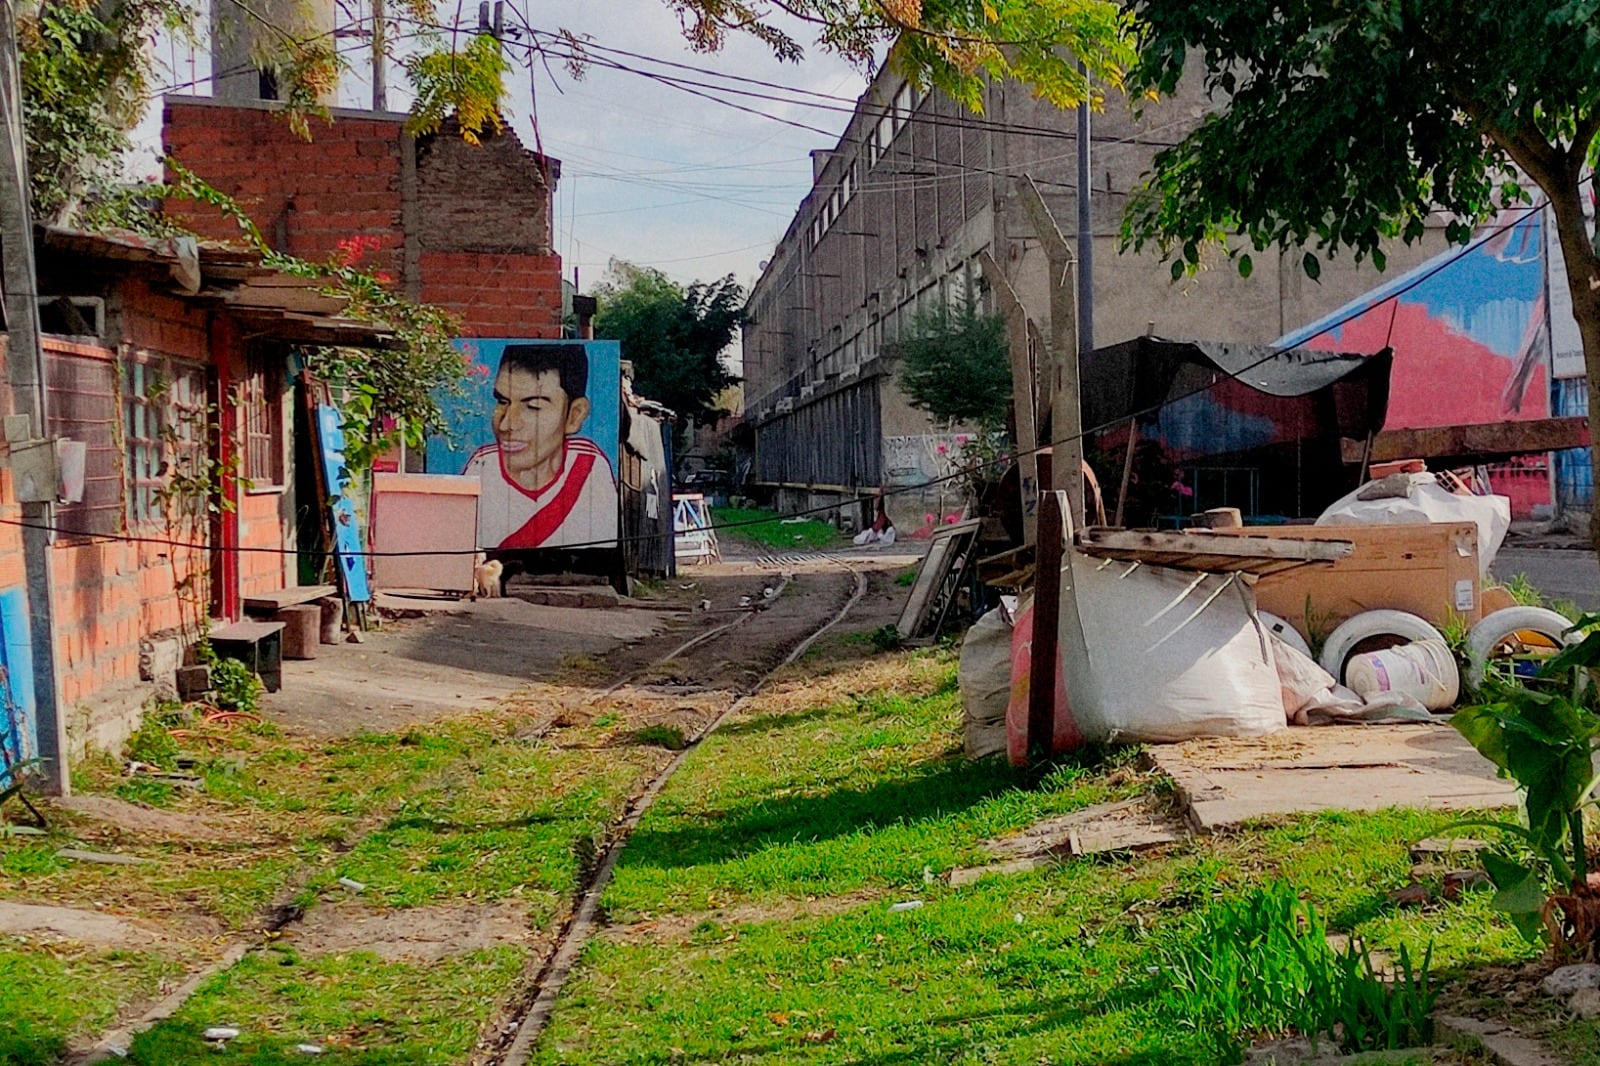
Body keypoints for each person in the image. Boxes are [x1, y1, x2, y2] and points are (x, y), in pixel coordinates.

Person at [463, 343, 618, 550]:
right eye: (502, 402)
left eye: (533, 406)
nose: (506, 424)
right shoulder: (482, 468)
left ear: (575, 415)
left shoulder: (590, 467)